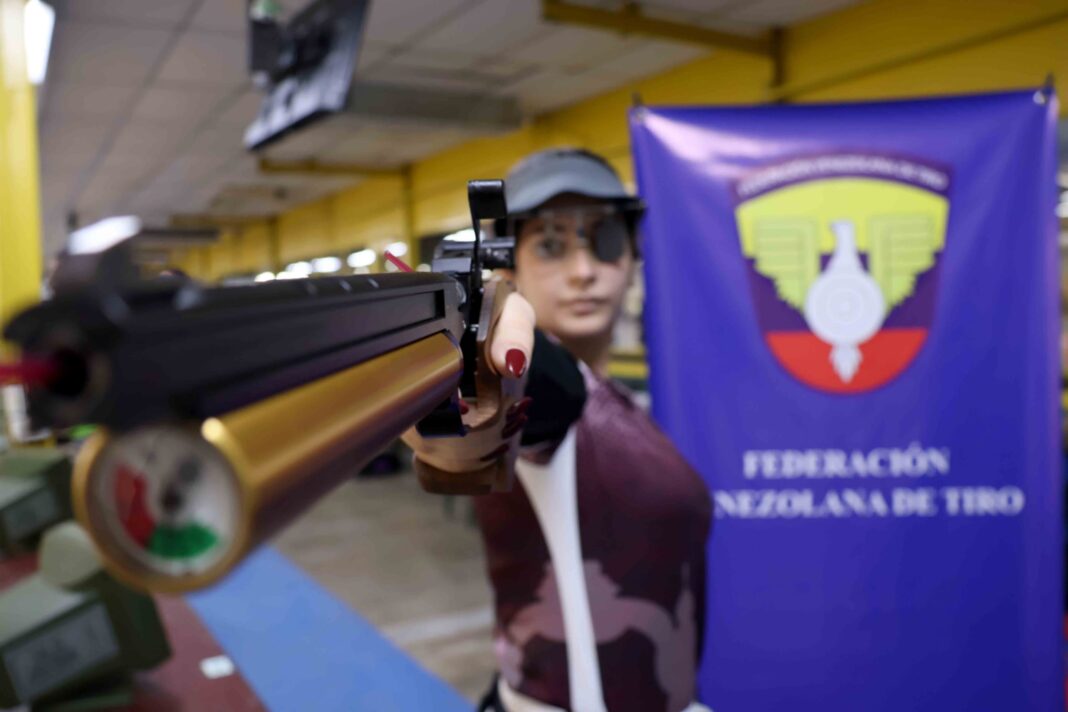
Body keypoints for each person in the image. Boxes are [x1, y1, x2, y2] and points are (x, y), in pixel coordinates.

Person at [410, 148, 712, 712]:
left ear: (632, 256)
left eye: (605, 240)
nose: (583, 271)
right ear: (508, 267)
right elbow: (530, 389)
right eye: (550, 245)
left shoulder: (636, 395)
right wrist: (474, 344)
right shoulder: (547, 388)